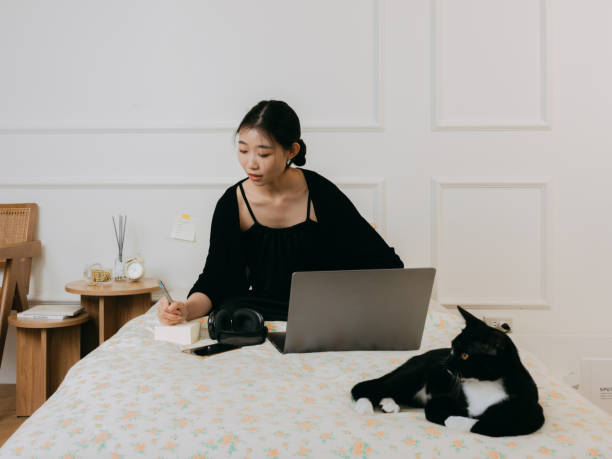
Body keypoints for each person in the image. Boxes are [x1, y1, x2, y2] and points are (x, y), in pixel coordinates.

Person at [158, 100, 403, 325]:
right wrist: (186, 309)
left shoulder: (320, 193)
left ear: (291, 151)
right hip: (262, 308)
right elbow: (216, 277)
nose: (251, 163)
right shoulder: (232, 203)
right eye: (243, 151)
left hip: (321, 308)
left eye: (263, 154)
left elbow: (382, 261)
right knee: (230, 310)